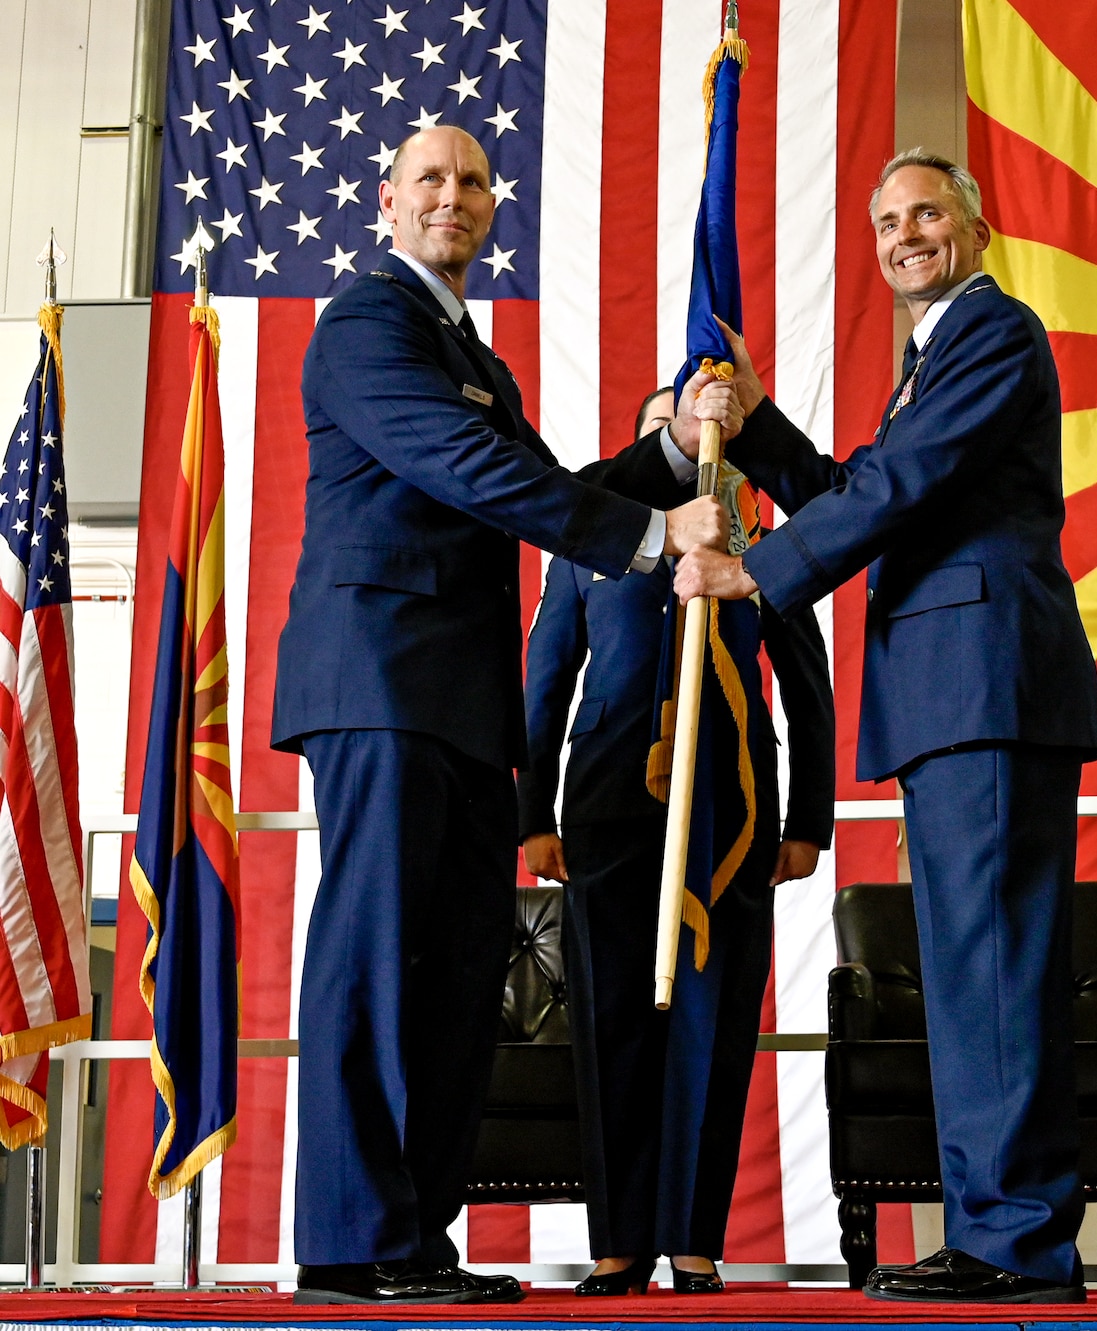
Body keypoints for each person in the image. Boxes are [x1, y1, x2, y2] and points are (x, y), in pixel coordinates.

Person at [272, 125, 739, 1305]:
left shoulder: (464, 346)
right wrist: (650, 533)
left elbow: (543, 473)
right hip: (379, 684)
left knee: (454, 967)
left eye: (474, 181)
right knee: (379, 956)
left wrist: (674, 448)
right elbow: (464, 466)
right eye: (430, 178)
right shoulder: (366, 321)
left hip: (465, 708)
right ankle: (349, 1242)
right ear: (386, 200)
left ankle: (410, 1237)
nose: (455, 197)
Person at [673, 149, 1097, 1304]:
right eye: (884, 222)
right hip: (949, 694)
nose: (903, 233)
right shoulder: (929, 359)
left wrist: (752, 573)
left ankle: (1015, 1240)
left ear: (974, 222)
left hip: (988, 686)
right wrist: (759, 427)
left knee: (996, 964)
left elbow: (896, 485)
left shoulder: (992, 334)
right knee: (971, 967)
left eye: (925, 211)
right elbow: (868, 481)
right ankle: (994, 1228)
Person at [517, 388, 835, 1296]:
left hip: (729, 813)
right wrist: (533, 810)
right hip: (611, 808)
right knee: (609, 1014)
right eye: (673, 426)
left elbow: (807, 684)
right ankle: (619, 1241)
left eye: (706, 430)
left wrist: (808, 817)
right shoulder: (590, 542)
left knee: (713, 1017)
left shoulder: (756, 544)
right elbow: (546, 678)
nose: (694, 443)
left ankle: (694, 1238)